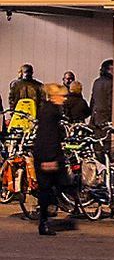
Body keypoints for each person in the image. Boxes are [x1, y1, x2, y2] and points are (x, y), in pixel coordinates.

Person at [33, 83, 68, 236]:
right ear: (54, 97)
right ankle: (44, 221)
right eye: (62, 96)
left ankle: (45, 218)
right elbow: (48, 137)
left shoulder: (47, 110)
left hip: (46, 154)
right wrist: (49, 158)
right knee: (49, 188)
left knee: (50, 188)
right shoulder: (50, 112)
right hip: (48, 155)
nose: (64, 99)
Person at [89, 59, 114, 129]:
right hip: (106, 118)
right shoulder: (112, 83)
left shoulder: (96, 82)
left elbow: (93, 100)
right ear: (109, 70)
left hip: (96, 117)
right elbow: (111, 101)